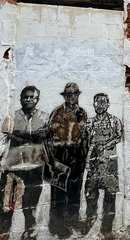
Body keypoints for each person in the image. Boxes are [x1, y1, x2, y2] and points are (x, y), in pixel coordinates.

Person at [0, 86, 47, 240]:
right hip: (12, 167)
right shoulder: (11, 116)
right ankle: (4, 233)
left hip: (35, 167)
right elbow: (7, 136)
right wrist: (32, 136)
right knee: (7, 205)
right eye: (25, 97)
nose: (29, 100)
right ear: (20, 99)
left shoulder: (45, 117)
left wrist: (19, 135)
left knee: (30, 206)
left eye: (32, 97)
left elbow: (43, 137)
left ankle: (29, 234)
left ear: (37, 99)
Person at [46, 82, 88, 238]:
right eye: (69, 95)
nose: (72, 97)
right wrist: (52, 160)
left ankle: (72, 219)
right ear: (65, 96)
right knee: (59, 190)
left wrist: (84, 155)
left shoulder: (82, 113)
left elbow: (84, 135)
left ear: (78, 95)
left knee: (75, 188)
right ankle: (57, 224)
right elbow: (49, 137)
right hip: (60, 152)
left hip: (76, 153)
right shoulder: (58, 112)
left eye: (75, 94)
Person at [82, 94, 123, 238]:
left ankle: (106, 228)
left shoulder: (114, 121)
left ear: (108, 104)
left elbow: (119, 136)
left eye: (103, 102)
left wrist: (105, 145)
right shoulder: (89, 123)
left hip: (109, 165)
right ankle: (90, 220)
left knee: (110, 196)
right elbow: (85, 140)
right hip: (94, 164)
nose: (100, 105)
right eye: (97, 103)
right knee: (90, 193)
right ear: (93, 105)